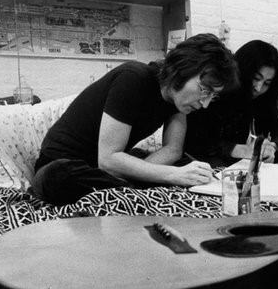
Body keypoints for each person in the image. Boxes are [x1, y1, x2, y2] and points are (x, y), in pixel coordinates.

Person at [31, 33, 239, 206]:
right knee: (60, 177)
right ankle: (133, 189)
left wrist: (167, 172)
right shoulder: (134, 78)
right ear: (183, 70)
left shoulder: (177, 101)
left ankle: (128, 187)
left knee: (187, 163)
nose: (205, 104)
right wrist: (171, 175)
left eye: (213, 95)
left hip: (103, 171)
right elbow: (109, 159)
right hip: (61, 164)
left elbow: (173, 150)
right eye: (204, 90)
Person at [184, 40, 278, 167]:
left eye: (267, 83)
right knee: (212, 163)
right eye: (256, 78)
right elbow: (199, 141)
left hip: (249, 156)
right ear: (244, 71)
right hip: (221, 154)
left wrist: (272, 147)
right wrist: (239, 150)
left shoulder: (263, 97)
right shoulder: (220, 91)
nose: (259, 88)